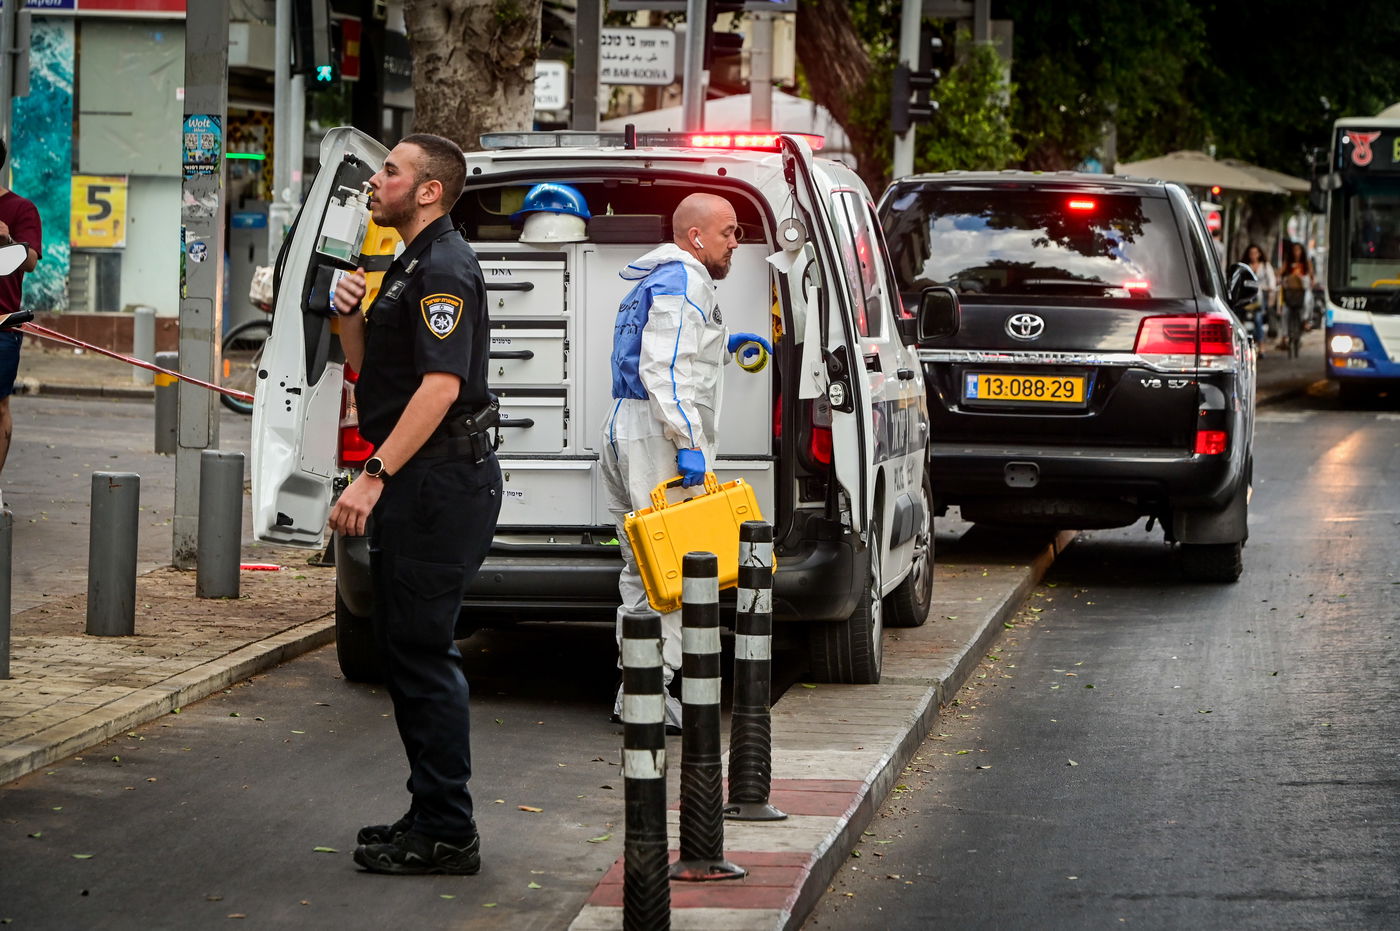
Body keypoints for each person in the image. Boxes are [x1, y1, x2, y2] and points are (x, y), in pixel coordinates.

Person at [329, 133, 502, 876]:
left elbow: (439, 389)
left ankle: (449, 830)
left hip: (436, 484)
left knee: (424, 657)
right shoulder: (405, 263)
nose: (377, 179)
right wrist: (346, 317)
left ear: (428, 190)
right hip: (421, 481)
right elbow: (375, 374)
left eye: (391, 170)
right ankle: (431, 810)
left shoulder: (443, 268)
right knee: (405, 653)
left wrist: (372, 473)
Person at [601, 192, 771, 731]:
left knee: (642, 571)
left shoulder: (655, 278)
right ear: (696, 236)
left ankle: (638, 688)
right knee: (674, 570)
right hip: (658, 440)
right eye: (729, 231)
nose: (737, 241)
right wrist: (686, 441)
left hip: (628, 429)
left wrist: (722, 346)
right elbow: (665, 367)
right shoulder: (685, 279)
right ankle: (655, 693)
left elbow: (672, 350)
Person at [0, 137, 41, 496]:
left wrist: (8, 238)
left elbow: (29, 261)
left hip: (3, 325)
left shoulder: (20, 208)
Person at [1240, 243, 1276, 349]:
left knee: (1258, 318)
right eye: (1251, 253)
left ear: (1259, 254)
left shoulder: (1265, 266)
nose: (1253, 255)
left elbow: (1272, 281)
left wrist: (1269, 289)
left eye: (1255, 253)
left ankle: (1261, 345)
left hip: (1261, 299)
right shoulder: (1245, 267)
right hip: (1247, 298)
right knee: (1241, 319)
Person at [1279, 241, 1312, 349]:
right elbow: (1280, 274)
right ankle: (1284, 337)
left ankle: (1305, 321)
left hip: (1302, 291)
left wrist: (1303, 279)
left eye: (1298, 250)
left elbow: (1312, 277)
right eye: (1294, 250)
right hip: (1290, 293)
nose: (1296, 253)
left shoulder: (1306, 263)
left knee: (1307, 301)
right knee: (1285, 312)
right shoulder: (1287, 263)